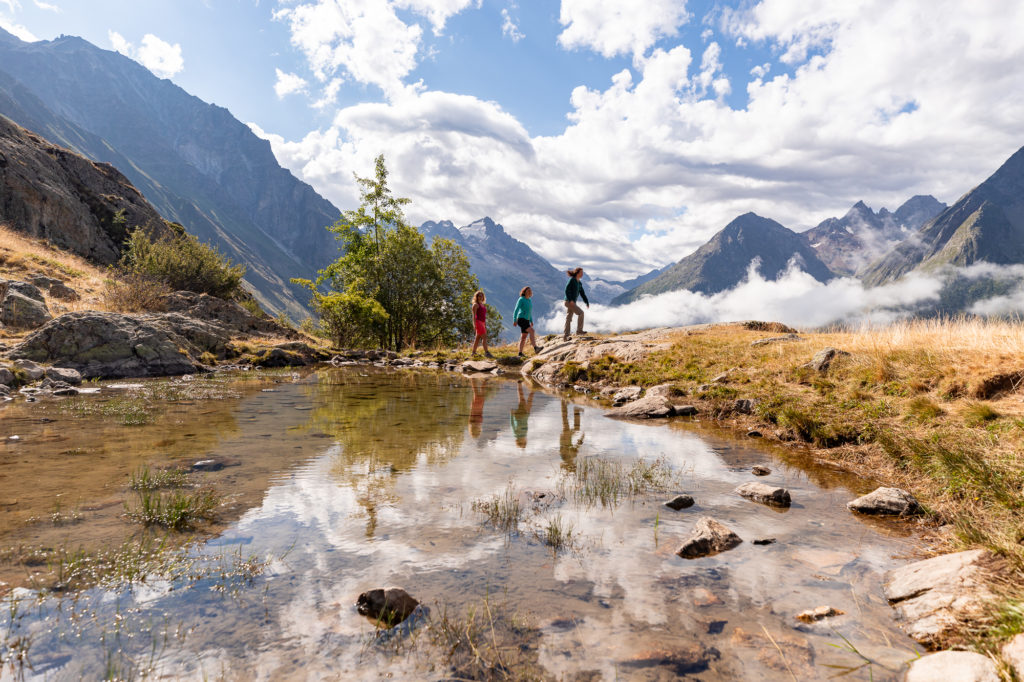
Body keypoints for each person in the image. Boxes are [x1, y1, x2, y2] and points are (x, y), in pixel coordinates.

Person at [511, 286, 543, 357]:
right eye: (528, 290)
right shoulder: (521, 299)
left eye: (530, 291)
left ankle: (520, 353)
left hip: (527, 320)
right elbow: (516, 310)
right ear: (524, 292)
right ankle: (535, 348)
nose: (529, 292)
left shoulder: (529, 300)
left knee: (523, 337)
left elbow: (529, 311)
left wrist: (531, 320)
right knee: (532, 331)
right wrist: (514, 319)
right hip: (521, 319)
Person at [563, 267, 589, 340]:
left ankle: (566, 336)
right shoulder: (572, 280)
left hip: (572, 302)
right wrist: (570, 300)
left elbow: (582, 293)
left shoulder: (579, 283)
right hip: (568, 301)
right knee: (581, 313)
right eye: (581, 272)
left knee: (569, 318)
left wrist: (586, 302)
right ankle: (579, 331)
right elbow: (566, 290)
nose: (582, 274)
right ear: (577, 273)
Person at [510, 381, 534, 448]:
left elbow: (512, 425)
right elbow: (512, 425)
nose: (526, 440)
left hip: (524, 415)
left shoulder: (520, 434)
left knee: (529, 400)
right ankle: (519, 383)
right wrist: (512, 415)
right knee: (521, 398)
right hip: (519, 416)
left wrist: (511, 415)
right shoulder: (516, 434)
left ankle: (533, 388)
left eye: (525, 442)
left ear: (522, 441)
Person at [470, 290, 493, 358]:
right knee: (484, 337)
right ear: (476, 297)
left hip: (482, 322)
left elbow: (483, 315)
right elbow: (473, 316)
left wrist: (485, 324)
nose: (480, 297)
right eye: (479, 296)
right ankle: (486, 352)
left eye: (481, 296)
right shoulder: (475, 305)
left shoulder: (482, 304)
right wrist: (474, 325)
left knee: (477, 338)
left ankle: (473, 353)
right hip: (478, 322)